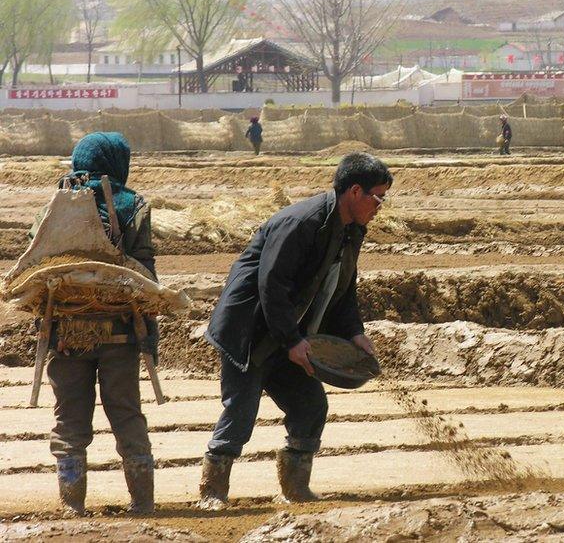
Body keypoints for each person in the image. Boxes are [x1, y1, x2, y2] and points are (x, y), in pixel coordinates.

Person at [198, 152, 392, 508]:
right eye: (378, 197)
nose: (381, 206)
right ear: (354, 191)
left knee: (310, 405)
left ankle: (295, 488)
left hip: (288, 333)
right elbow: (271, 286)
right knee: (240, 412)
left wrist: (354, 333)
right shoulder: (302, 223)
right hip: (250, 331)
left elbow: (343, 288)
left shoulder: (351, 231)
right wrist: (291, 341)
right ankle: (212, 492)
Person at [41, 132, 158, 516]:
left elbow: (37, 261)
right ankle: (142, 503)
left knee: (69, 419)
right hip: (120, 333)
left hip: (66, 334)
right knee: (126, 413)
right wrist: (151, 336)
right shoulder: (134, 205)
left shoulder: (56, 204)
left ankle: (72, 503)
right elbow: (145, 272)